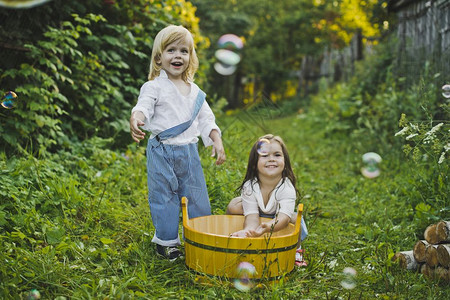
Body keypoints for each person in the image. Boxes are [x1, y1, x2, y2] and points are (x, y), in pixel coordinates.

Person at [130, 25, 226, 261]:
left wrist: (216, 139)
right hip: (161, 151)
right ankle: (167, 243)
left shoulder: (196, 92)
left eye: (184, 51)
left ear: (191, 57)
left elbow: (206, 119)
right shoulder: (154, 87)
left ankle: (199, 237)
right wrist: (137, 118)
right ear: (159, 57)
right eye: (171, 50)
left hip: (189, 153)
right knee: (164, 198)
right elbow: (144, 106)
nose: (177, 56)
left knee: (197, 198)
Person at [226, 134, 308, 266]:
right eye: (264, 156)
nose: (271, 159)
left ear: (285, 162)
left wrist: (267, 227)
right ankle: (237, 235)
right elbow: (252, 216)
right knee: (233, 205)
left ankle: (296, 250)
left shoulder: (286, 187)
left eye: (277, 155)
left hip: (279, 217)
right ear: (254, 163)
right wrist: (249, 232)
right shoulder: (250, 186)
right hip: (256, 213)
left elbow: (283, 218)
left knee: (294, 218)